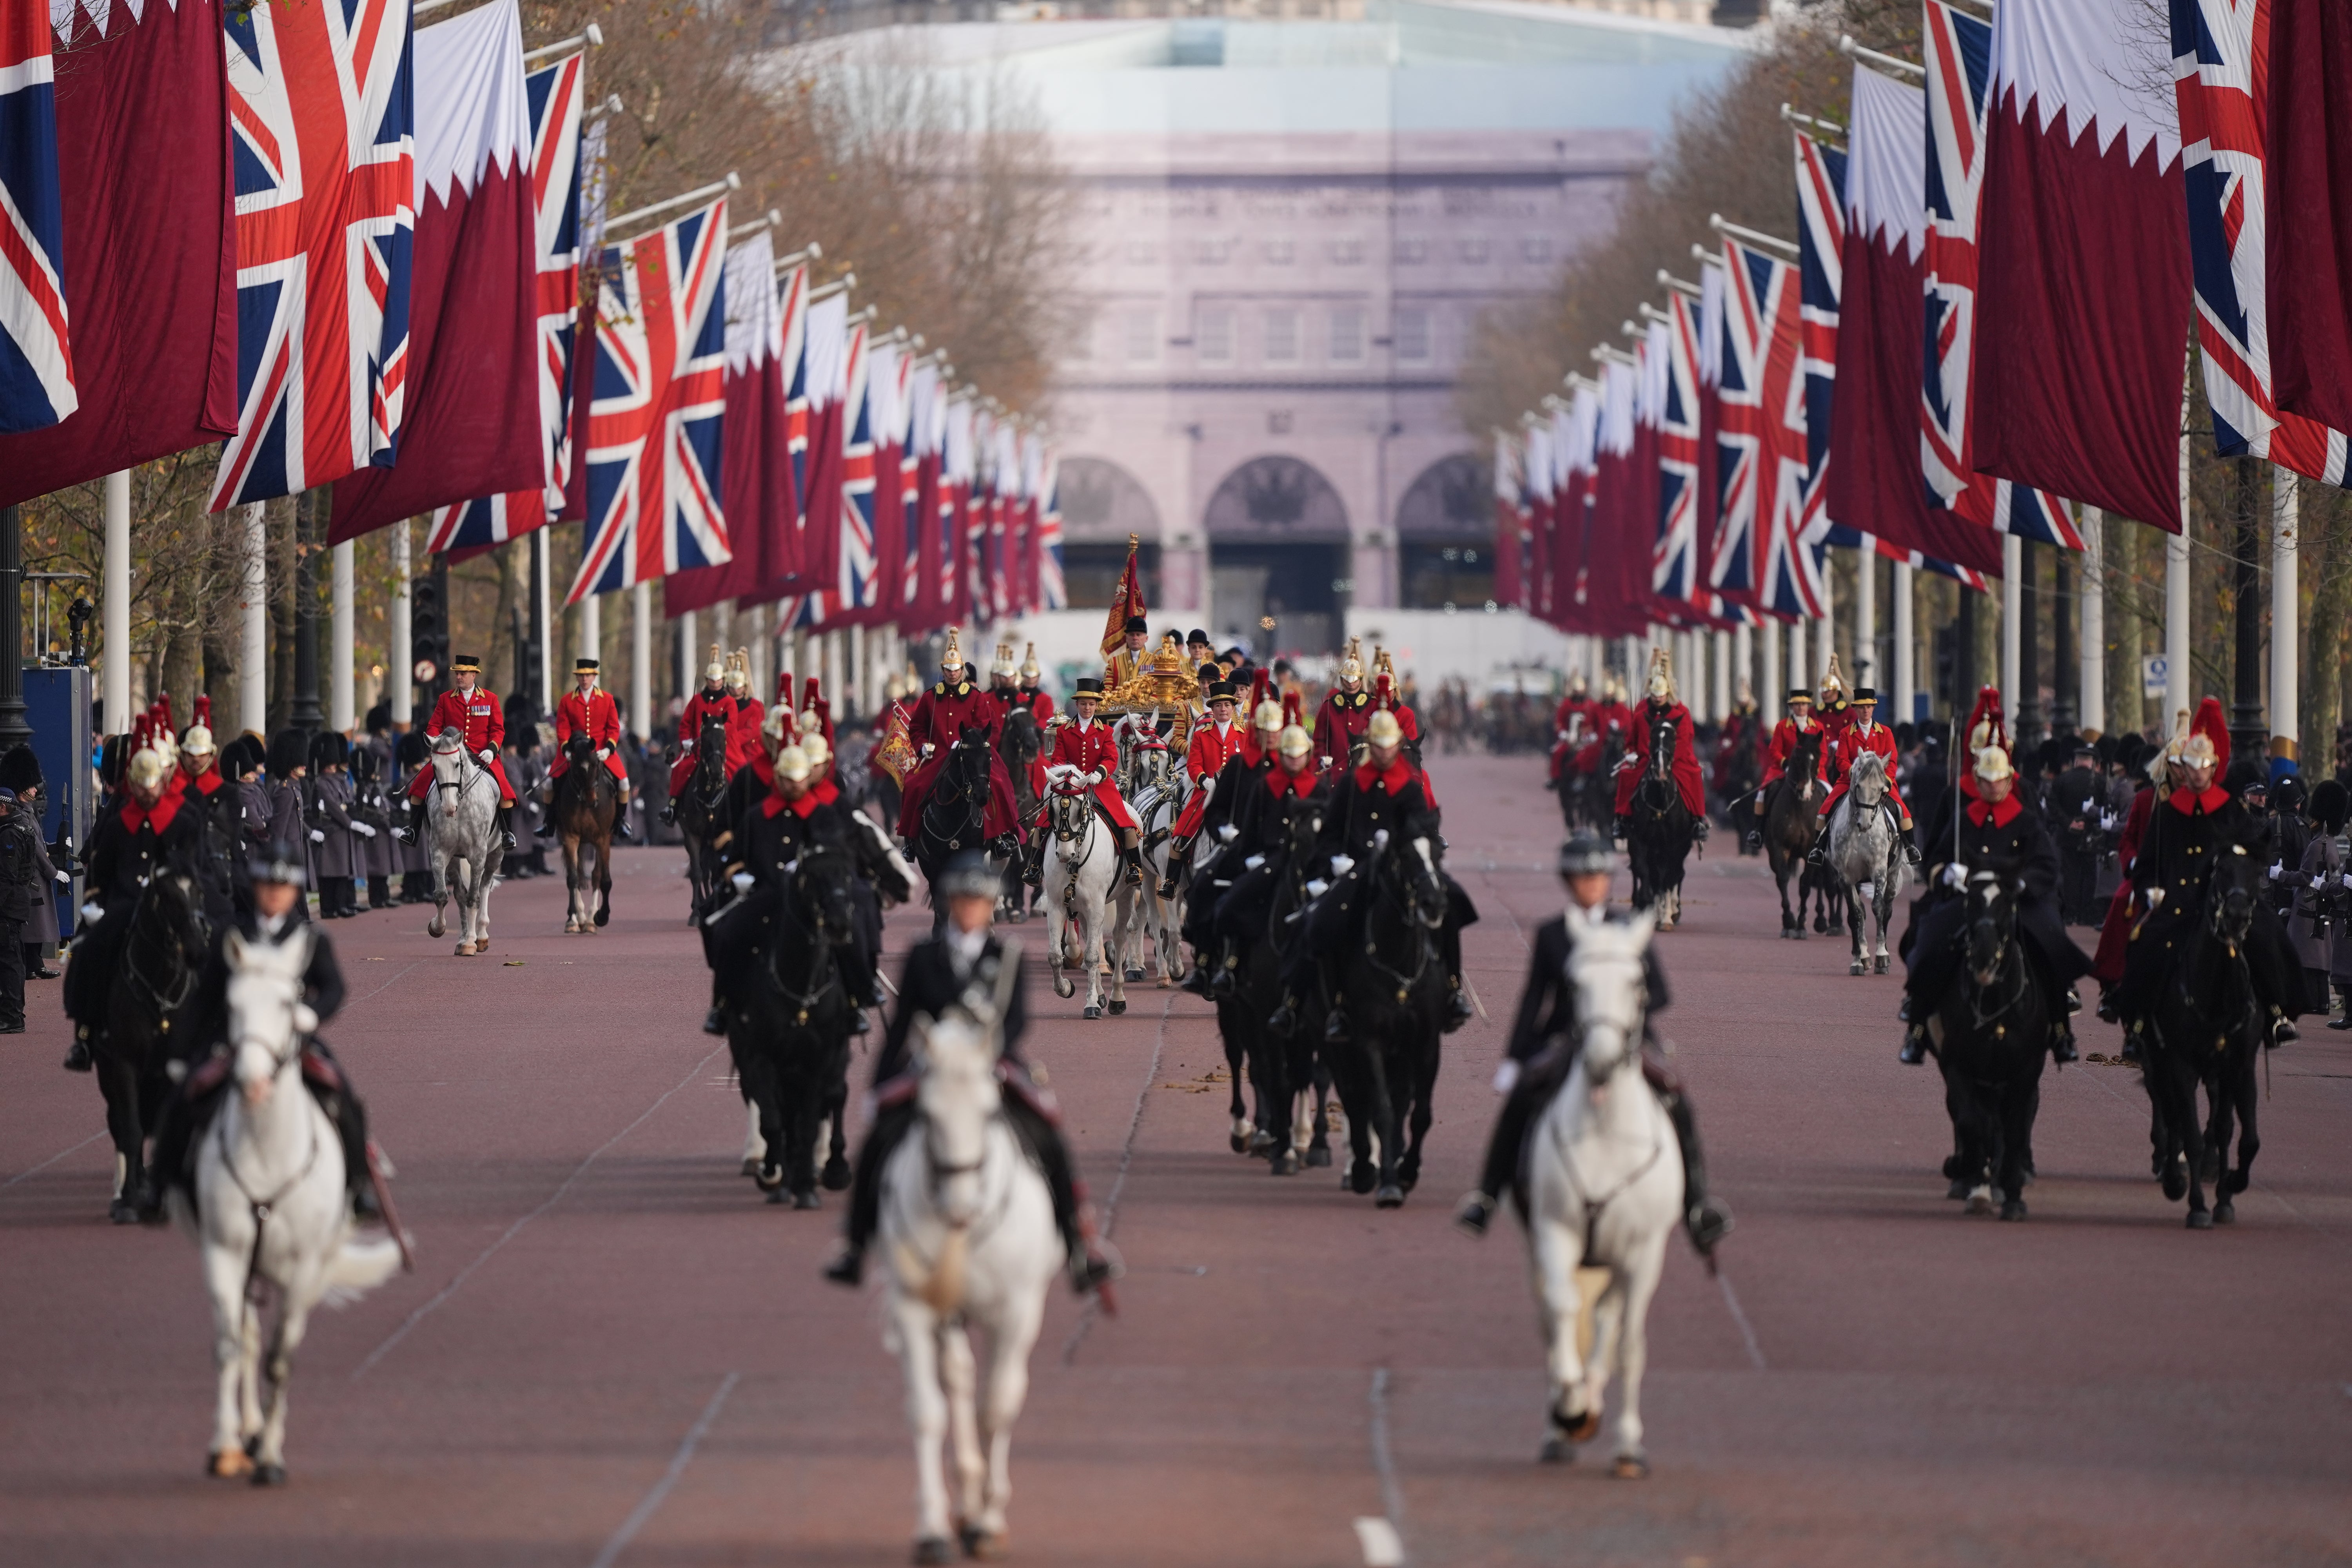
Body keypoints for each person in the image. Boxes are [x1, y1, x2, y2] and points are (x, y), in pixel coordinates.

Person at [821, 851, 1117, 1297]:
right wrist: (880, 1085)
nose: (971, 910)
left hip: (990, 1062)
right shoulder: (923, 955)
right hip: (934, 1062)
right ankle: (855, 1245)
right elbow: (903, 1024)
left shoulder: (1009, 956)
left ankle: (1079, 1246)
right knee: (881, 1138)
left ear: (991, 906)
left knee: (1049, 1135)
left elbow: (1017, 1022)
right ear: (949, 903)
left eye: (979, 902)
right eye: (962, 901)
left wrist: (985, 1047)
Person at [1453, 833, 1732, 1256]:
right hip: (1565, 1036)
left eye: (1599, 877)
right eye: (1583, 878)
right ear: (1568, 882)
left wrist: (1625, 1005)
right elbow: (1534, 997)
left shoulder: (1630, 928)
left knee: (1676, 1097)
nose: (1592, 885)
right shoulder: (1551, 934)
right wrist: (1514, 1057)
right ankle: (1487, 1196)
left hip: (1627, 1036)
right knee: (1522, 1098)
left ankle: (1698, 1205)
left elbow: (1660, 992)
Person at [137, 844, 380, 1224]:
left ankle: (358, 1185)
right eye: (268, 885)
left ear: (296, 891)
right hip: (232, 1039)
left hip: (290, 1040)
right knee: (184, 1099)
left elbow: (334, 989)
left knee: (341, 1095)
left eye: (283, 887)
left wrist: (310, 1015)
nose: (275, 894)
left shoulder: (311, 937)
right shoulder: (230, 935)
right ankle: (158, 1183)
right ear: (255, 887)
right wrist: (181, 1053)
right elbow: (203, 1000)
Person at [2107, 699, 2303, 1051]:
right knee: (2146, 944)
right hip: (2179, 901)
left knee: (2267, 935)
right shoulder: (2168, 812)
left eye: (2202, 767)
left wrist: (2245, 870)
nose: (2195, 774)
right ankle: (2137, 1023)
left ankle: (2276, 1011)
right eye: (2190, 767)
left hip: (2225, 898)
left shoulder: (2230, 810)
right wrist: (2151, 888)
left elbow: (2257, 849)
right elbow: (2149, 861)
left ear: (2213, 767)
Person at [1272, 707, 1476, 1039]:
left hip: (1402, 870)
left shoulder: (1410, 787)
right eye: (1378, 746)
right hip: (1357, 871)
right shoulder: (1352, 784)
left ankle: (1453, 991)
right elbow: (1331, 834)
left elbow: (1424, 829)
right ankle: (1309, 1003)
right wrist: (1334, 862)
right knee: (1319, 920)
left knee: (1450, 902)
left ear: (1397, 746)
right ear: (1370, 746)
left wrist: (1422, 855)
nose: (1383, 752)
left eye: (1389, 745)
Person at [1898, 742, 2088, 1065]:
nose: (1993, 787)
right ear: (1978, 780)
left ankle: (2060, 1030)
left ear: (2009, 779)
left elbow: (2047, 864)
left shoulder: (2025, 819)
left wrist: (2024, 882)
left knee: (2050, 944)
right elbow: (1936, 857)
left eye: (1999, 780)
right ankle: (1916, 1028)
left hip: (2017, 899)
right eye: (1986, 780)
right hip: (1970, 898)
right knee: (1929, 939)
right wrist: (1946, 874)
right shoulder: (1963, 818)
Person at [895, 628, 1018, 855]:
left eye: (957, 670)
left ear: (962, 670)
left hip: (971, 755)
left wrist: (970, 743)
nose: (953, 674)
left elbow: (984, 726)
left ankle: (1000, 836)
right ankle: (911, 841)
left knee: (998, 784)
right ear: (943, 670)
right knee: (913, 784)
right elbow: (917, 728)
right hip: (938, 757)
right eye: (949, 670)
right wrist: (923, 746)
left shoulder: (976, 697)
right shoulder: (930, 697)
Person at [400, 655, 520, 851]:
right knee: (419, 786)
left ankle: (507, 833)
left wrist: (492, 749)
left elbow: (498, 730)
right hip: (450, 754)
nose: (458, 677)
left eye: (463, 674)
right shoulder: (445, 699)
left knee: (504, 791)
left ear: (474, 675)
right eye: (457, 673)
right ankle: (412, 829)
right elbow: (434, 726)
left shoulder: (490, 699)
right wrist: (436, 742)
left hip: (481, 755)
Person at [1040, 676, 1145, 889]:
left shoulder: (1105, 731)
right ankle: (1034, 867)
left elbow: (1111, 758)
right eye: (1084, 704)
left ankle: (1134, 866)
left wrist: (1100, 772)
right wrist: (1069, 776)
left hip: (1099, 785)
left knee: (1125, 821)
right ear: (1077, 704)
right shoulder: (1064, 731)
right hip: (1070, 786)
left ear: (1097, 706)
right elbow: (1058, 759)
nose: (1088, 708)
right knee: (1042, 821)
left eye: (1092, 704)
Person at [1805, 686, 1916, 865]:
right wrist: (1854, 773)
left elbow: (1893, 761)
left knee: (1902, 810)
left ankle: (1911, 847)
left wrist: (1887, 780)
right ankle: (1819, 848)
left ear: (1873, 709)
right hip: (1850, 781)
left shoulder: (1885, 733)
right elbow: (1841, 761)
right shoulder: (1846, 733)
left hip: (1880, 782)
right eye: (1862, 707)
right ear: (1856, 709)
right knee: (1825, 809)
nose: (1866, 711)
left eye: (1869, 707)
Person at [1161, 677, 1247, 898]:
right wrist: (1203, 780)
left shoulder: (1244, 735)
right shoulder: (1201, 735)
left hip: (1238, 794)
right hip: (1206, 793)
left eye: (1227, 705)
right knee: (1181, 832)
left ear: (1232, 707)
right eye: (1218, 705)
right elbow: (1194, 763)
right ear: (1213, 709)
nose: (1223, 709)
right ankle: (1171, 882)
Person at [1612, 648, 1709, 844]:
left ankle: (1699, 819)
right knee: (1626, 775)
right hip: (1645, 758)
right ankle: (1621, 818)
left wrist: (1668, 758)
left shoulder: (1680, 713)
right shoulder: (1641, 712)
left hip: (1675, 758)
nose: (1657, 699)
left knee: (1694, 776)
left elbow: (1684, 739)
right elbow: (1632, 738)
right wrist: (1630, 753)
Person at [542, 658, 634, 843]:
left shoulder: (607, 700)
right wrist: (566, 748)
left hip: (600, 750)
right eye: (581, 676)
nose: (584, 679)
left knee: (624, 783)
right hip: (574, 750)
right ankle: (549, 822)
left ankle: (620, 822)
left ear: (594, 677)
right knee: (549, 783)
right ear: (577, 678)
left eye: (588, 675)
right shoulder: (567, 701)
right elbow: (562, 727)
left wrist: (609, 749)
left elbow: (613, 728)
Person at [2287, 778, 2346, 1022]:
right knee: (2319, 958)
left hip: (2308, 905)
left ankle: (2311, 1003)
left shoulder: (2318, 845)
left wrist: (2280, 875)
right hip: (2321, 904)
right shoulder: (2329, 843)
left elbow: (2305, 876)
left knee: (2304, 956)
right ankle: (2320, 1002)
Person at [661, 647, 739, 825]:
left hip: (721, 747)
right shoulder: (697, 701)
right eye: (711, 681)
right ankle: (673, 806)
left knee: (739, 771)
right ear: (706, 681)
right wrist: (686, 741)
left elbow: (731, 725)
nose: (715, 684)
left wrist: (715, 734)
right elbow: (686, 724)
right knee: (681, 770)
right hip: (698, 749)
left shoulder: (729, 702)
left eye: (718, 680)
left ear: (723, 681)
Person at [1744, 687, 1822, 849]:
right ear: (1792, 707)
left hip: (1813, 771)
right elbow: (1774, 750)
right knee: (1762, 794)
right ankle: (1758, 831)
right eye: (1797, 705)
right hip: (1783, 770)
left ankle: (1826, 835)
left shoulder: (1817, 728)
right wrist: (1784, 762)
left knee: (1829, 794)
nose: (1801, 708)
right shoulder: (1782, 726)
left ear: (1808, 707)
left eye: (1804, 704)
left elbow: (1824, 753)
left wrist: (1817, 770)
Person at [0, 786, 35, 1033]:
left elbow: (6, 876)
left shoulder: (9, 835)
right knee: (13, 958)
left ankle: (12, 1017)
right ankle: (12, 1012)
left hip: (9, 905)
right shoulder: (18, 828)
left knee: (10, 960)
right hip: (16, 902)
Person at [1312, 637, 1375, 769]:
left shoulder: (1372, 706)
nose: (1351, 684)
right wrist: (1323, 759)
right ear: (1341, 679)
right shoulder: (1329, 706)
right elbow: (1320, 741)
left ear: (1361, 680)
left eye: (1355, 680)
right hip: (1336, 771)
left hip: (1364, 770)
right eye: (1347, 680)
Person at [1104, 614, 1152, 690]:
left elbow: (1158, 688)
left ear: (1146, 639)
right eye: (1131, 635)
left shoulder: (1155, 661)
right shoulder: (1114, 662)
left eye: (1139, 635)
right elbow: (1107, 688)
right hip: (1119, 701)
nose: (1135, 638)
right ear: (1126, 638)